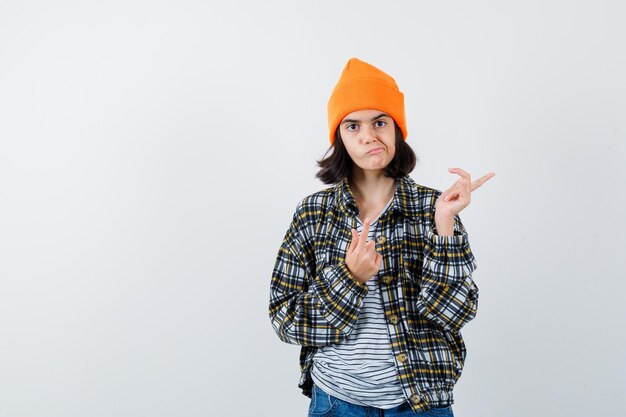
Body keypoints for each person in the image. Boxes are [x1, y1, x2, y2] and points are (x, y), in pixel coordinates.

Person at [269, 57, 495, 416]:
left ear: (396, 129)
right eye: (353, 126)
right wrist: (350, 279)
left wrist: (444, 226)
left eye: (379, 122)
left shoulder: (431, 208)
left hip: (419, 401)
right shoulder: (314, 213)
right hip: (336, 401)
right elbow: (285, 318)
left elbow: (452, 314)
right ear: (339, 137)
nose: (369, 136)